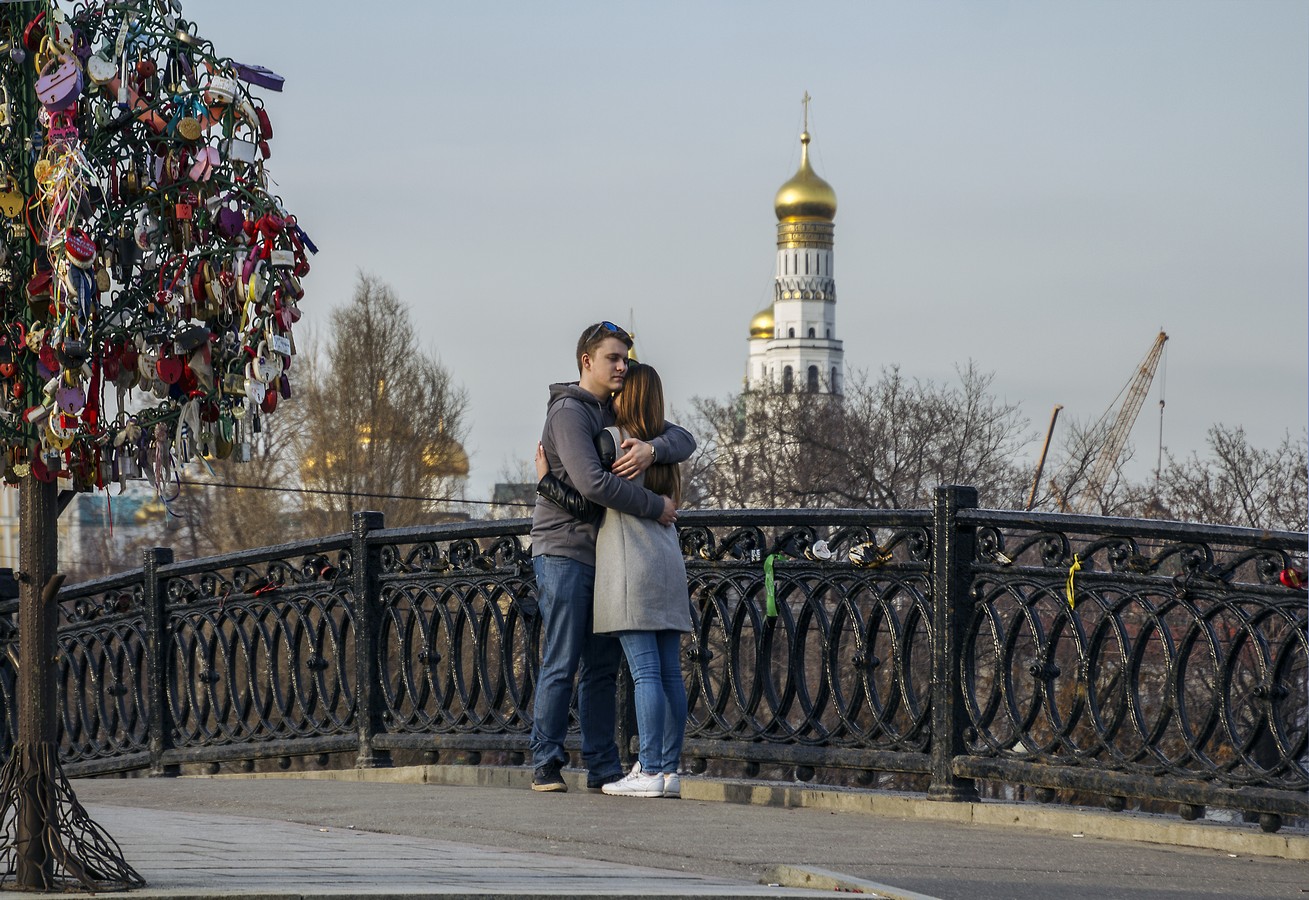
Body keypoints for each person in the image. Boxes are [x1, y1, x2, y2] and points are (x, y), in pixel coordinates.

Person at [528, 322, 695, 794]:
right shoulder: (569, 412)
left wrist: (651, 450)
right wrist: (656, 505)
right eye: (613, 358)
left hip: (611, 554)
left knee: (602, 667)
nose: (623, 366)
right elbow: (593, 485)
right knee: (562, 660)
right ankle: (546, 762)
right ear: (587, 361)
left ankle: (602, 766)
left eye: (625, 358)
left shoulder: (617, 409)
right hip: (564, 550)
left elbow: (684, 438)